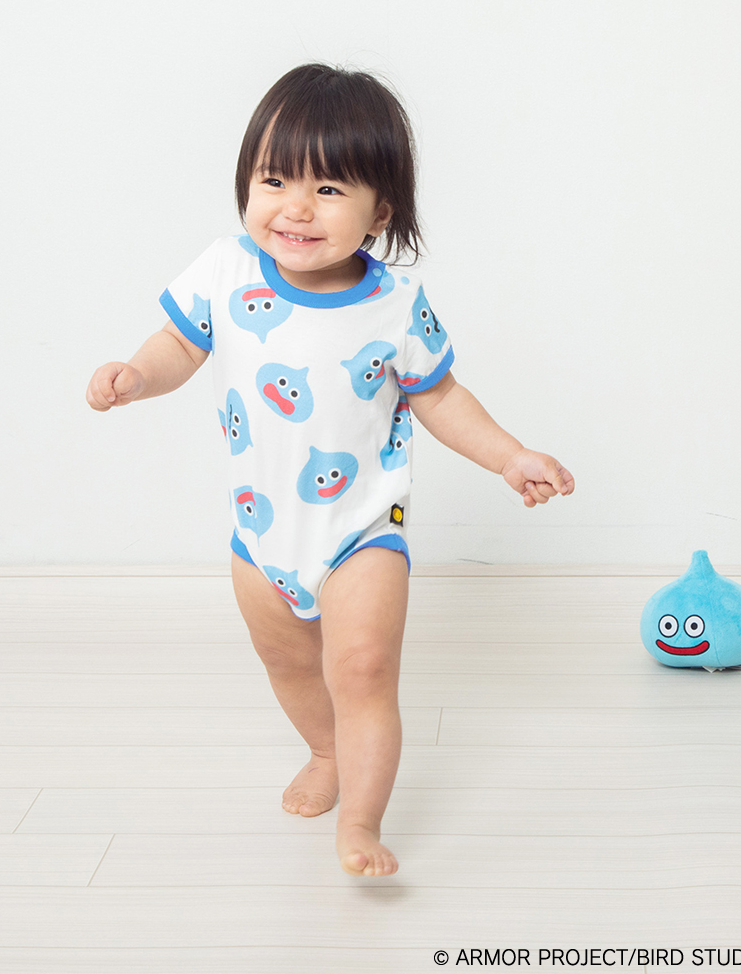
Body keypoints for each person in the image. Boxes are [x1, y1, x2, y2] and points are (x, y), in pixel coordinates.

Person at [86, 63, 575, 877]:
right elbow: (177, 344)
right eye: (274, 180)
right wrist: (137, 375)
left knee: (363, 670)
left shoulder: (396, 305)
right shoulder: (224, 272)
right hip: (260, 533)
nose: (296, 208)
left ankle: (362, 823)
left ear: (380, 211)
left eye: (328, 189)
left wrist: (509, 455)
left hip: (360, 530)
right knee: (286, 662)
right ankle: (325, 751)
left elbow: (440, 396)